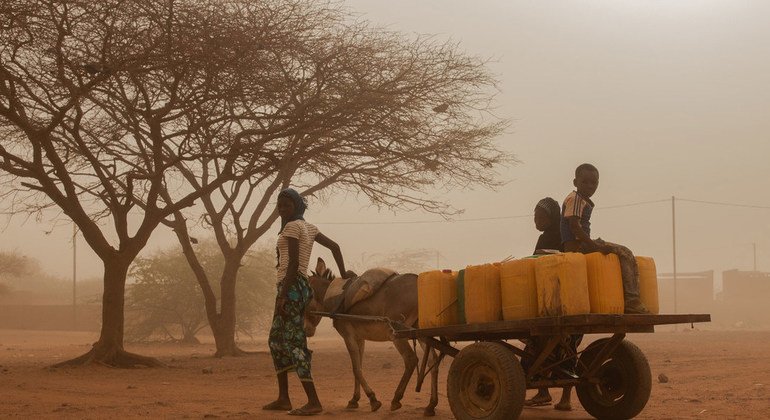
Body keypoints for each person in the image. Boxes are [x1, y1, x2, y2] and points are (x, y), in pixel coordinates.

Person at [263, 188, 348, 416]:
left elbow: (291, 265)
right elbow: (335, 247)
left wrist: (283, 295)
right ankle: (283, 398)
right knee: (275, 340)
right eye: (280, 206)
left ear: (297, 206)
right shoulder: (310, 228)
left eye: (286, 206)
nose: (282, 210)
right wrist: (343, 272)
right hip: (297, 287)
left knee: (294, 342)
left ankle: (313, 402)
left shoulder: (292, 227)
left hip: (290, 288)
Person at [560, 163, 648, 314]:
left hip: (581, 244)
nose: (589, 186)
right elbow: (574, 226)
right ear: (575, 182)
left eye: (593, 182)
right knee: (625, 253)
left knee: (621, 254)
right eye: (585, 182)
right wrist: (595, 246)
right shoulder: (575, 199)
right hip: (577, 246)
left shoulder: (581, 199)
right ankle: (632, 301)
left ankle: (627, 299)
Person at [525, 197, 580, 411]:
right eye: (535, 216)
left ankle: (546, 392)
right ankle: (555, 396)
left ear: (552, 217)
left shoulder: (553, 237)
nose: (536, 220)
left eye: (541, 216)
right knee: (569, 348)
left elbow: (538, 265)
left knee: (543, 345)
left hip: (556, 300)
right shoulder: (560, 236)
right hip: (569, 298)